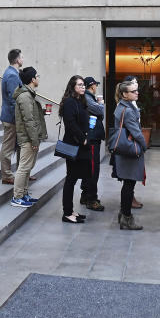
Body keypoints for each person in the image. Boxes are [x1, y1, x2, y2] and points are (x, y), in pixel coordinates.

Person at [109, 78, 148, 230]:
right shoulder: (128, 110)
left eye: (136, 90)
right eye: (133, 91)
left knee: (127, 184)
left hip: (124, 150)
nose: (137, 93)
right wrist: (144, 146)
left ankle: (124, 215)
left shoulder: (123, 107)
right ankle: (126, 218)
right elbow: (137, 133)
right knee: (129, 184)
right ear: (125, 94)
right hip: (129, 151)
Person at [10, 66, 46, 209]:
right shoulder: (25, 96)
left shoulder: (28, 94)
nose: (38, 77)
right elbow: (28, 120)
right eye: (37, 76)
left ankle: (23, 194)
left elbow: (31, 116)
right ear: (32, 79)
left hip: (29, 137)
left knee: (27, 167)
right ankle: (17, 196)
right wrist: (34, 140)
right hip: (27, 138)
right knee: (24, 167)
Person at [59, 75, 92, 224]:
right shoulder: (69, 102)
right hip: (74, 145)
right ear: (72, 87)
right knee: (70, 179)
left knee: (74, 178)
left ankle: (70, 210)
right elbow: (70, 124)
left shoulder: (80, 101)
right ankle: (67, 213)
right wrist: (82, 138)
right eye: (79, 85)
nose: (83, 87)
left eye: (83, 84)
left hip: (81, 145)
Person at [80, 76, 106, 212]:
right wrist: (101, 103)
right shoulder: (88, 98)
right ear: (92, 86)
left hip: (92, 137)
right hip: (91, 138)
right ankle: (91, 198)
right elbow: (100, 111)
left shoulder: (88, 98)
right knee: (92, 169)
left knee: (89, 167)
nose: (96, 87)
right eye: (96, 85)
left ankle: (85, 195)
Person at [0, 49, 23, 185]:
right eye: (22, 57)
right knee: (8, 147)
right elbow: (14, 99)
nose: (23, 59)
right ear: (17, 60)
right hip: (12, 118)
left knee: (18, 146)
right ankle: (7, 175)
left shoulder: (13, 73)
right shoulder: (12, 75)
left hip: (13, 117)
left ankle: (21, 173)